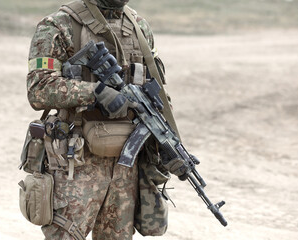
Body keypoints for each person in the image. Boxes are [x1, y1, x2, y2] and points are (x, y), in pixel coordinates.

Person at [26, 0, 187, 239]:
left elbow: (159, 95)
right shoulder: (58, 25)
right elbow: (38, 89)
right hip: (76, 161)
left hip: (126, 167)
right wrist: (95, 93)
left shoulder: (139, 27)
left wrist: (170, 147)